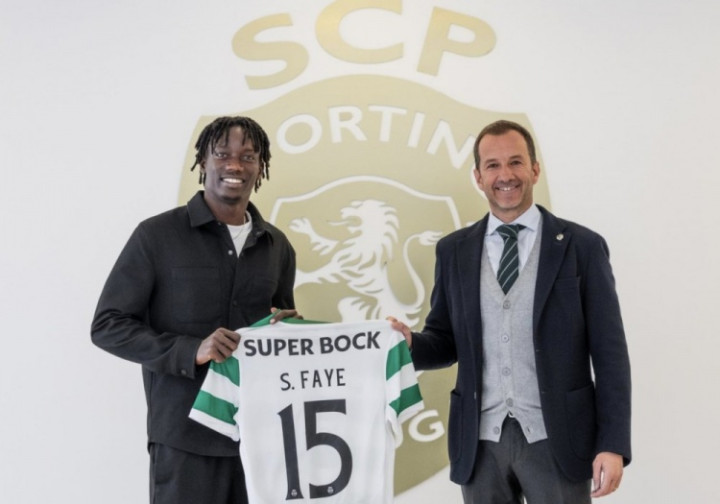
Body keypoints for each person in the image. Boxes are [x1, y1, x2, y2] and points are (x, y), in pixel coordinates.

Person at [389, 120, 631, 504]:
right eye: (493, 165)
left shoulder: (581, 247)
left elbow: (610, 354)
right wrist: (410, 344)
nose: (505, 175)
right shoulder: (453, 251)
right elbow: (446, 340)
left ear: (535, 169)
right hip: (480, 443)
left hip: (558, 438)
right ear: (478, 177)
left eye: (516, 162)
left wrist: (613, 443)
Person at [91, 116, 298, 504]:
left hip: (261, 438)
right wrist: (192, 350)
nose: (234, 165)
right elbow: (108, 325)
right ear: (203, 161)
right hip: (184, 439)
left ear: (261, 167)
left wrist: (288, 330)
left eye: (248, 156)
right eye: (222, 154)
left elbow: (281, 326)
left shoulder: (277, 246)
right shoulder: (156, 236)